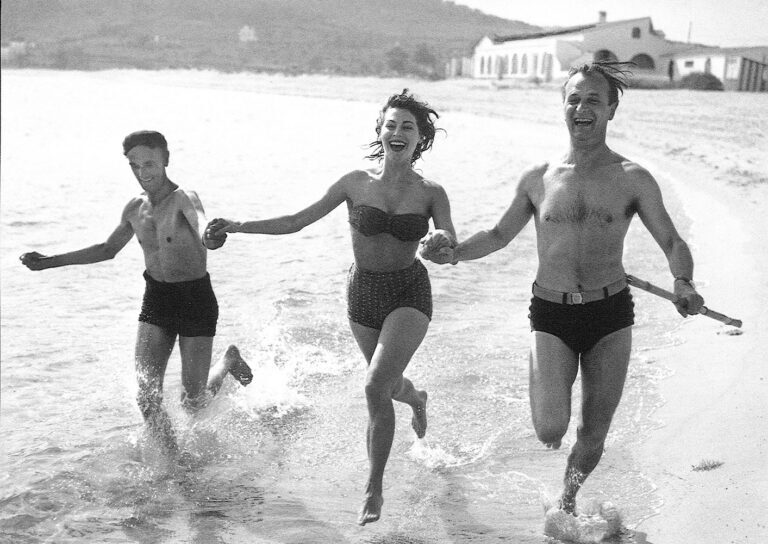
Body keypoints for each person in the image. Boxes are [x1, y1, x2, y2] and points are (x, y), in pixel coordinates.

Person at [421, 62, 704, 514]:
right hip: (551, 312)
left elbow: (671, 240)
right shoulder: (539, 177)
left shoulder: (633, 178)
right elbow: (496, 236)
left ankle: (566, 501)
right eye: (574, 99)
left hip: (610, 315)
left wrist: (683, 281)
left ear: (611, 109)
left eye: (593, 100)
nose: (582, 108)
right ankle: (547, 392)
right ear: (563, 108)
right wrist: (452, 253)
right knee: (550, 429)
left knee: (593, 434)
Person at [204, 90, 457, 525]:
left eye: (408, 127)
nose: (397, 132)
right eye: (391, 125)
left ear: (421, 138)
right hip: (363, 295)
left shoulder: (432, 192)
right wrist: (239, 226)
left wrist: (440, 241)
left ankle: (373, 487)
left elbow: (448, 237)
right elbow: (297, 221)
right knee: (389, 386)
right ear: (380, 131)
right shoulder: (354, 183)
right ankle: (416, 398)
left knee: (374, 386)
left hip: (409, 293)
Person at [19, 130, 253, 456]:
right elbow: (107, 248)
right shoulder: (134, 208)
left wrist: (214, 237)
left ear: (165, 160)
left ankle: (227, 361)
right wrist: (51, 262)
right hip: (156, 298)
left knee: (194, 402)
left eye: (150, 164)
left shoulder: (185, 198)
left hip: (194, 299)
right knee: (147, 396)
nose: (143, 172)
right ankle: (174, 466)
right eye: (135, 165)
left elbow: (202, 229)